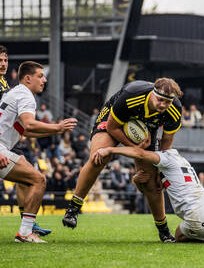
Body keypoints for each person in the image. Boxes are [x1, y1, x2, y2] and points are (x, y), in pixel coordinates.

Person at [63, 78, 183, 242]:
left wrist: (161, 172)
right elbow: (112, 128)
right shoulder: (132, 95)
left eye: (167, 102)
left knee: (152, 182)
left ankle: (163, 230)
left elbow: (166, 144)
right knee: (99, 157)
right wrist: (135, 147)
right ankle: (73, 208)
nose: (163, 105)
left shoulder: (175, 109)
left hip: (145, 128)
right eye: (160, 100)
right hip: (114, 119)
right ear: (152, 94)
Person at [0, 61, 77, 243]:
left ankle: (27, 229)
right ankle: (25, 232)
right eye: (40, 76)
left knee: (30, 179)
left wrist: (56, 130)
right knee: (38, 180)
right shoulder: (26, 95)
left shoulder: (15, 93)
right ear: (28, 78)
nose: (44, 80)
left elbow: (24, 130)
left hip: (3, 148)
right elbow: (29, 124)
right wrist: (57, 126)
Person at [0, 45, 52, 237]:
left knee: (26, 178)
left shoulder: (5, 86)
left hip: (5, 144)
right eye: (0, 60)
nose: (3, 64)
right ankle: (26, 230)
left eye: (5, 60)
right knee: (36, 179)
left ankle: (28, 224)